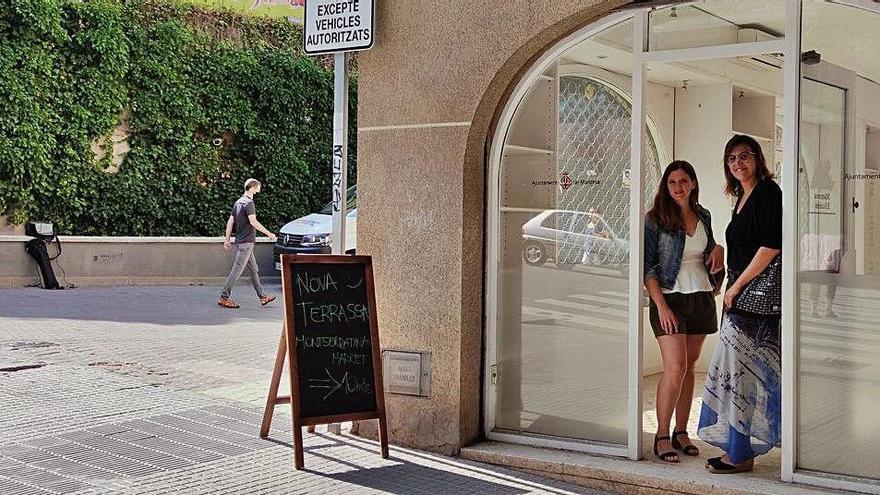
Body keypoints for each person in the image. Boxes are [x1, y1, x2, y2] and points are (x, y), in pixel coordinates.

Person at [698, 135, 782, 474]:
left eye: (744, 156)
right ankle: (739, 450)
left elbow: (771, 247)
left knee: (742, 375)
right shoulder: (741, 196)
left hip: (755, 301)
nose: (738, 163)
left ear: (757, 158)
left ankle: (741, 452)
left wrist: (737, 287)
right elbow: (745, 245)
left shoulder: (767, 193)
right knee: (739, 376)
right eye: (731, 158)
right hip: (742, 295)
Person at [644, 161, 725, 463]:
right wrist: (661, 306)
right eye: (672, 182)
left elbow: (707, 252)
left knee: (690, 367)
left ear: (693, 184)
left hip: (701, 297)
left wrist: (719, 250)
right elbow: (648, 267)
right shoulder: (655, 219)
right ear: (666, 186)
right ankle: (661, 435)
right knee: (675, 368)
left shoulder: (704, 215)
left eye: (683, 181)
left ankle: (681, 432)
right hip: (670, 300)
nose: (678, 187)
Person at [218, 178, 277, 309]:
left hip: (242, 242)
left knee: (254, 270)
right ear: (252, 188)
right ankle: (224, 297)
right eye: (258, 187)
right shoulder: (249, 203)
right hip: (246, 243)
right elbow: (253, 222)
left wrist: (227, 240)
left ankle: (262, 297)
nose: (259, 189)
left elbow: (230, 222)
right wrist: (269, 233)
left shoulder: (238, 202)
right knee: (237, 270)